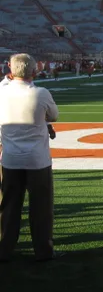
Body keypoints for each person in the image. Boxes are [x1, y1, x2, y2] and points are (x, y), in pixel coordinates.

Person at [0, 53, 59, 262]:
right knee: (41, 208)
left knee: (9, 206)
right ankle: (43, 250)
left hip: (10, 159)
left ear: (9, 68)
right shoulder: (41, 93)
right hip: (37, 160)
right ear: (35, 71)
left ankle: (5, 248)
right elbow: (53, 115)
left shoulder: (2, 91)